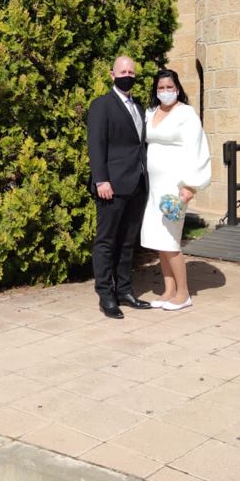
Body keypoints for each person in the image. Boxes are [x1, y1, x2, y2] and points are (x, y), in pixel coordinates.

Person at [87, 56, 152, 319]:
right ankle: (106, 294)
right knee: (106, 242)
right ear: (112, 75)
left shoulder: (138, 105)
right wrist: (101, 179)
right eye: (123, 71)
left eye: (132, 71)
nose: (128, 75)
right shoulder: (101, 105)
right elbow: (96, 144)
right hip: (111, 186)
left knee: (127, 242)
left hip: (136, 184)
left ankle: (124, 289)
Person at [141, 69, 211, 310]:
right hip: (154, 187)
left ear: (178, 88)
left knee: (171, 239)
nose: (165, 92)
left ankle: (183, 293)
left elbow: (197, 149)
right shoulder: (151, 113)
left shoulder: (186, 115)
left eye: (169, 87)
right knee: (159, 239)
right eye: (161, 88)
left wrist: (191, 186)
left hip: (175, 186)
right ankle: (168, 289)